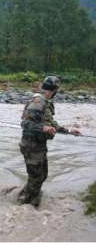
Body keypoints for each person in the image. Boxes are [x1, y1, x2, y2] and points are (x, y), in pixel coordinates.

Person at [18, 76, 81, 207]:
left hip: (39, 146)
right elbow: (25, 123)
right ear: (55, 90)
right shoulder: (38, 101)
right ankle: (24, 205)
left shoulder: (45, 102)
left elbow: (52, 124)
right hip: (31, 146)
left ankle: (30, 197)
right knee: (36, 178)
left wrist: (69, 131)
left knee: (42, 175)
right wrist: (43, 128)